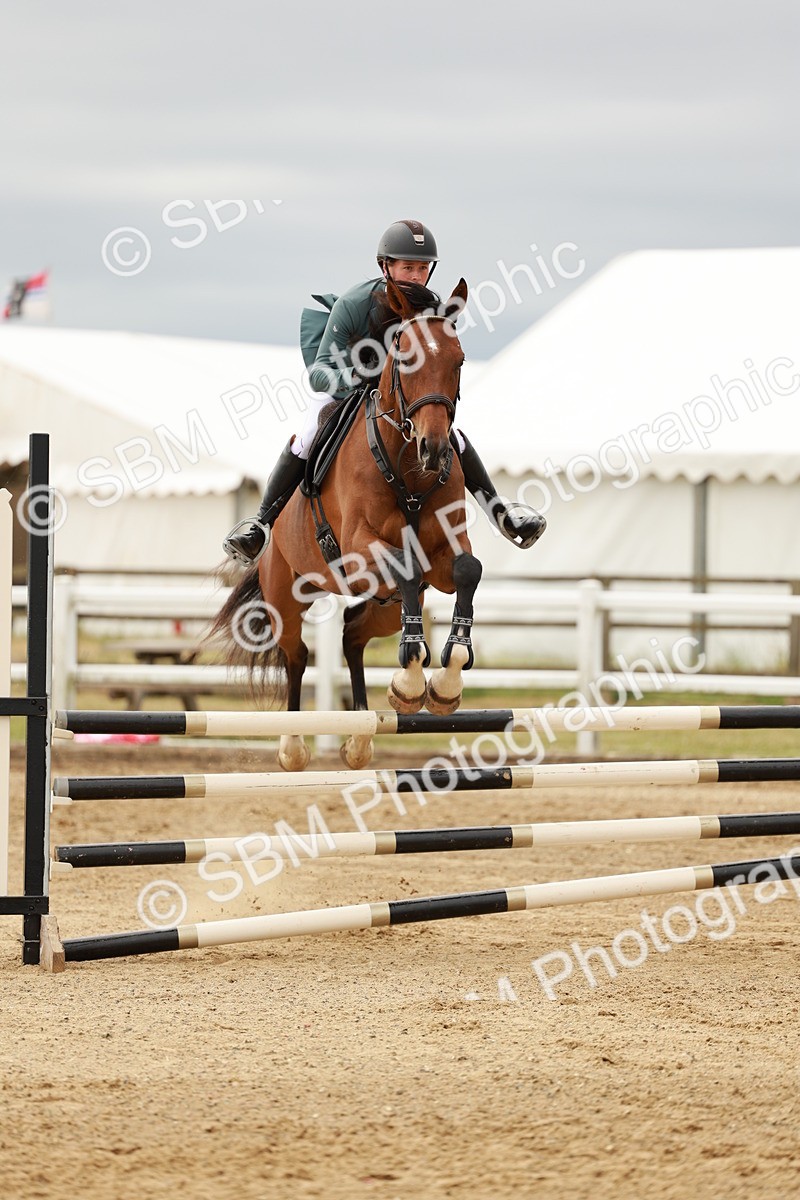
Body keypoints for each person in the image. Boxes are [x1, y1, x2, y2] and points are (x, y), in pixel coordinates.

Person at [223, 219, 546, 564]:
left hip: (399, 399)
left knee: (451, 436)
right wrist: (358, 375)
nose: (416, 276)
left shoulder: (432, 308)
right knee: (308, 434)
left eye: (422, 268)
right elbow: (318, 373)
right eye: (407, 267)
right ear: (385, 266)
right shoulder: (354, 304)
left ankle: (502, 513)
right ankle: (260, 523)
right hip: (344, 385)